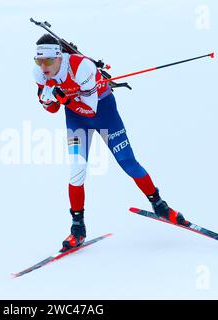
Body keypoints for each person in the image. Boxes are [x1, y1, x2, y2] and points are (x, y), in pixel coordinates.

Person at [33, 34, 186, 252]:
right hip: (76, 120)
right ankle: (78, 229)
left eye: (48, 61)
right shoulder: (38, 73)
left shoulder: (81, 67)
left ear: (59, 57)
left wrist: (64, 99)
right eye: (38, 61)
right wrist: (49, 100)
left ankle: (159, 205)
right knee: (77, 171)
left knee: (127, 162)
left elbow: (90, 110)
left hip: (103, 113)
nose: (43, 66)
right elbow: (52, 109)